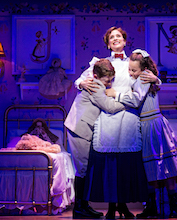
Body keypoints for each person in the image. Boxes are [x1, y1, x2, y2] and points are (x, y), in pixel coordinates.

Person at [77, 27, 158, 219]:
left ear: (124, 40)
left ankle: (123, 205)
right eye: (111, 37)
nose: (115, 39)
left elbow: (150, 77)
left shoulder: (134, 61)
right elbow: (81, 79)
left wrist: (158, 80)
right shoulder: (100, 63)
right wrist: (81, 84)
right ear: (107, 43)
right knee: (109, 161)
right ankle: (112, 205)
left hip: (128, 113)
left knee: (125, 162)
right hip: (107, 113)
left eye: (118, 36)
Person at [106, 49, 177, 218]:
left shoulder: (144, 77)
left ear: (143, 68)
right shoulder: (144, 77)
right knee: (152, 167)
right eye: (129, 69)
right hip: (147, 123)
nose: (131, 73)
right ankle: (155, 207)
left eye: (133, 70)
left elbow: (136, 99)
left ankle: (171, 207)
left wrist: (116, 94)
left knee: (163, 166)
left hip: (151, 124)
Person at [64, 58, 125, 219]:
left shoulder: (95, 83)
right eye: (107, 79)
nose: (109, 83)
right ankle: (79, 208)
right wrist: (128, 102)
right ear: (98, 76)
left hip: (81, 127)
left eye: (111, 79)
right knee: (82, 169)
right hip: (80, 128)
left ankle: (84, 205)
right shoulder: (96, 85)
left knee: (85, 168)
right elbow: (109, 107)